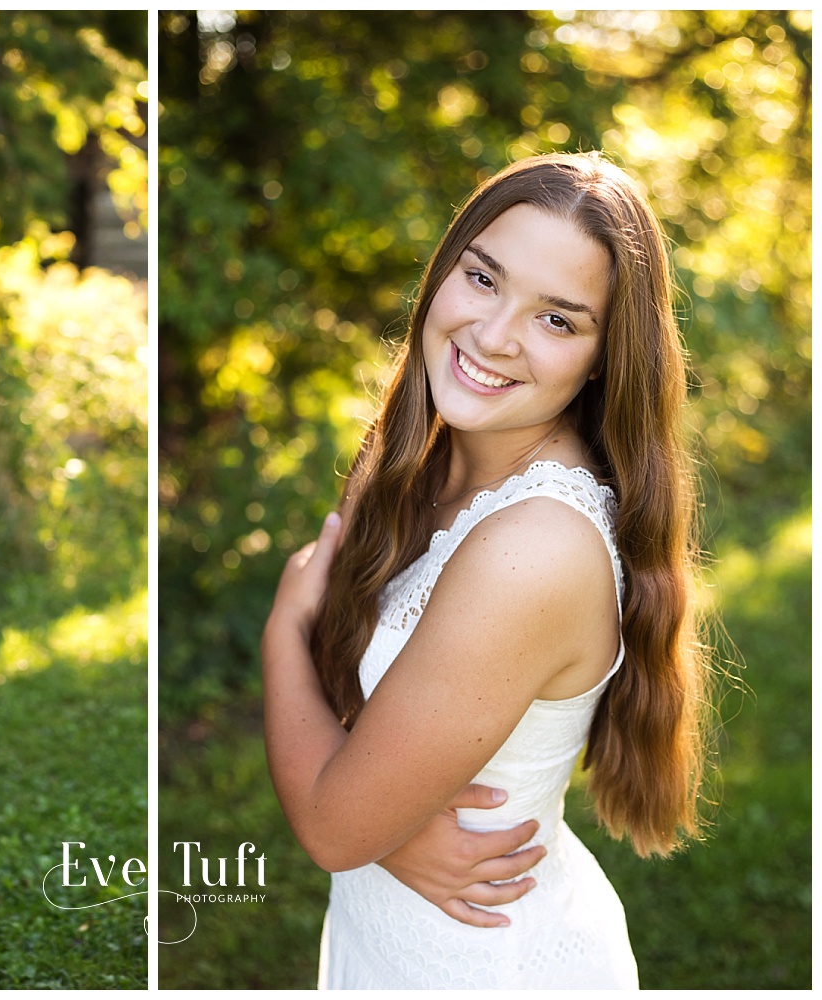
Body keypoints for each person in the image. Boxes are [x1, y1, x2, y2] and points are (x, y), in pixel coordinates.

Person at [262, 152, 709, 988]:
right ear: (444, 274)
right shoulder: (430, 454)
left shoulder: (530, 550)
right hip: (395, 940)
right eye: (483, 278)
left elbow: (332, 827)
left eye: (558, 320)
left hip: (484, 959)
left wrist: (284, 630)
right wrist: (393, 837)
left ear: (604, 359)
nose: (495, 335)